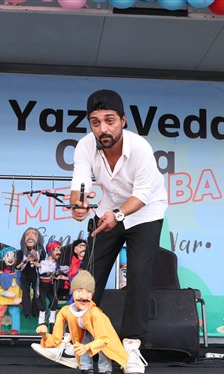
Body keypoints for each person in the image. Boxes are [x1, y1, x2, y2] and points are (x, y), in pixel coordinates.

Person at [69, 89, 168, 356]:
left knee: (138, 274)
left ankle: (132, 344)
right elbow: (80, 184)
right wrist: (78, 204)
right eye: (95, 122)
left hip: (145, 212)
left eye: (109, 120)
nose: (103, 128)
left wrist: (119, 215)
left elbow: (142, 196)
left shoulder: (140, 148)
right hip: (109, 209)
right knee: (89, 274)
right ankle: (77, 337)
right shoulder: (85, 146)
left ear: (123, 121)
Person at [31, 270, 145, 374]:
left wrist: (87, 347)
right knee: (83, 342)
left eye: (88, 292)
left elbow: (104, 339)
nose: (83, 296)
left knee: (103, 348)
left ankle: (105, 369)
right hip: (84, 331)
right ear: (72, 292)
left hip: (100, 333)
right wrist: (44, 335)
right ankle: (86, 367)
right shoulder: (66, 311)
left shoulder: (95, 314)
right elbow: (56, 339)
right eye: (79, 291)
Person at [36, 241, 69, 331]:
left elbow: (64, 269)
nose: (59, 252)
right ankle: (41, 321)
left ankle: (52, 321)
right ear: (51, 251)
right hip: (42, 285)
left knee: (54, 301)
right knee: (42, 303)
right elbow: (43, 269)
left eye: (59, 250)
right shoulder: (44, 262)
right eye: (57, 250)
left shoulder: (56, 265)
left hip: (50, 285)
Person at [0, 246, 22, 334]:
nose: (10, 258)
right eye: (8, 255)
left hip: (14, 299)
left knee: (15, 314)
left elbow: (22, 286)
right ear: (3, 258)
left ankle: (15, 330)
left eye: (13, 256)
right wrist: (4, 293)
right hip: (0, 299)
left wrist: (21, 297)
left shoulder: (17, 273)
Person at [17, 227, 46, 319]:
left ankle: (35, 312)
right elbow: (17, 266)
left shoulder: (41, 252)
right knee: (25, 293)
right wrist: (26, 260)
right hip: (25, 275)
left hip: (36, 275)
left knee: (37, 293)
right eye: (27, 234)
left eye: (34, 234)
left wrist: (35, 258)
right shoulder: (21, 252)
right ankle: (26, 312)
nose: (30, 236)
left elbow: (41, 263)